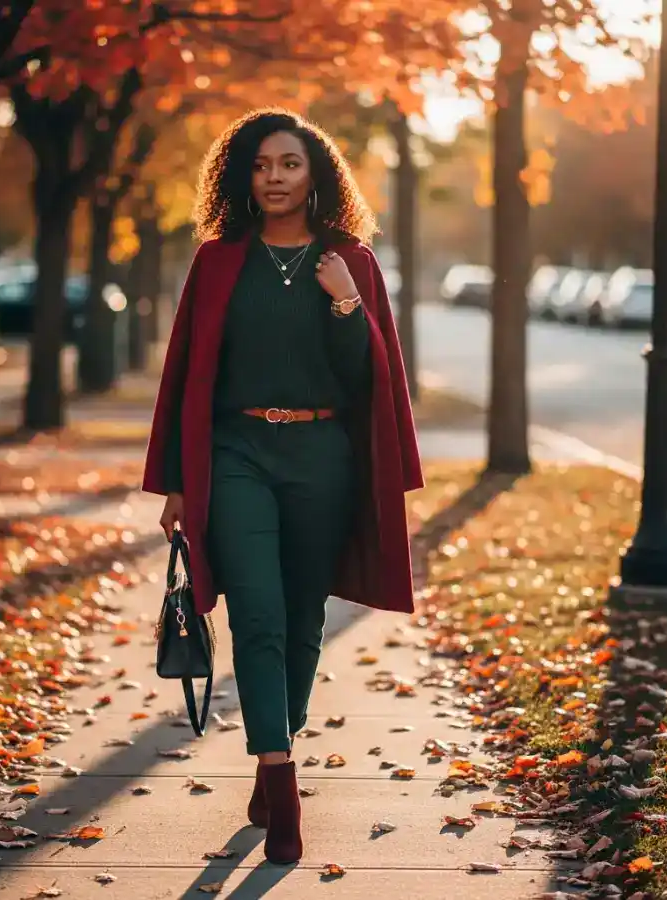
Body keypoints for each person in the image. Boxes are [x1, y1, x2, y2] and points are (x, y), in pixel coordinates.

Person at [142, 108, 423, 865]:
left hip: (322, 454)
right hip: (236, 452)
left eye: (289, 164)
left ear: (315, 174)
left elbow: (367, 377)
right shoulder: (217, 261)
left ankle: (277, 745)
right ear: (242, 176)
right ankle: (282, 781)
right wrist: (176, 482)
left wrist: (346, 301)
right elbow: (185, 374)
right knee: (258, 614)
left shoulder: (352, 261)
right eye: (262, 164)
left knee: (303, 618)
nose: (274, 177)